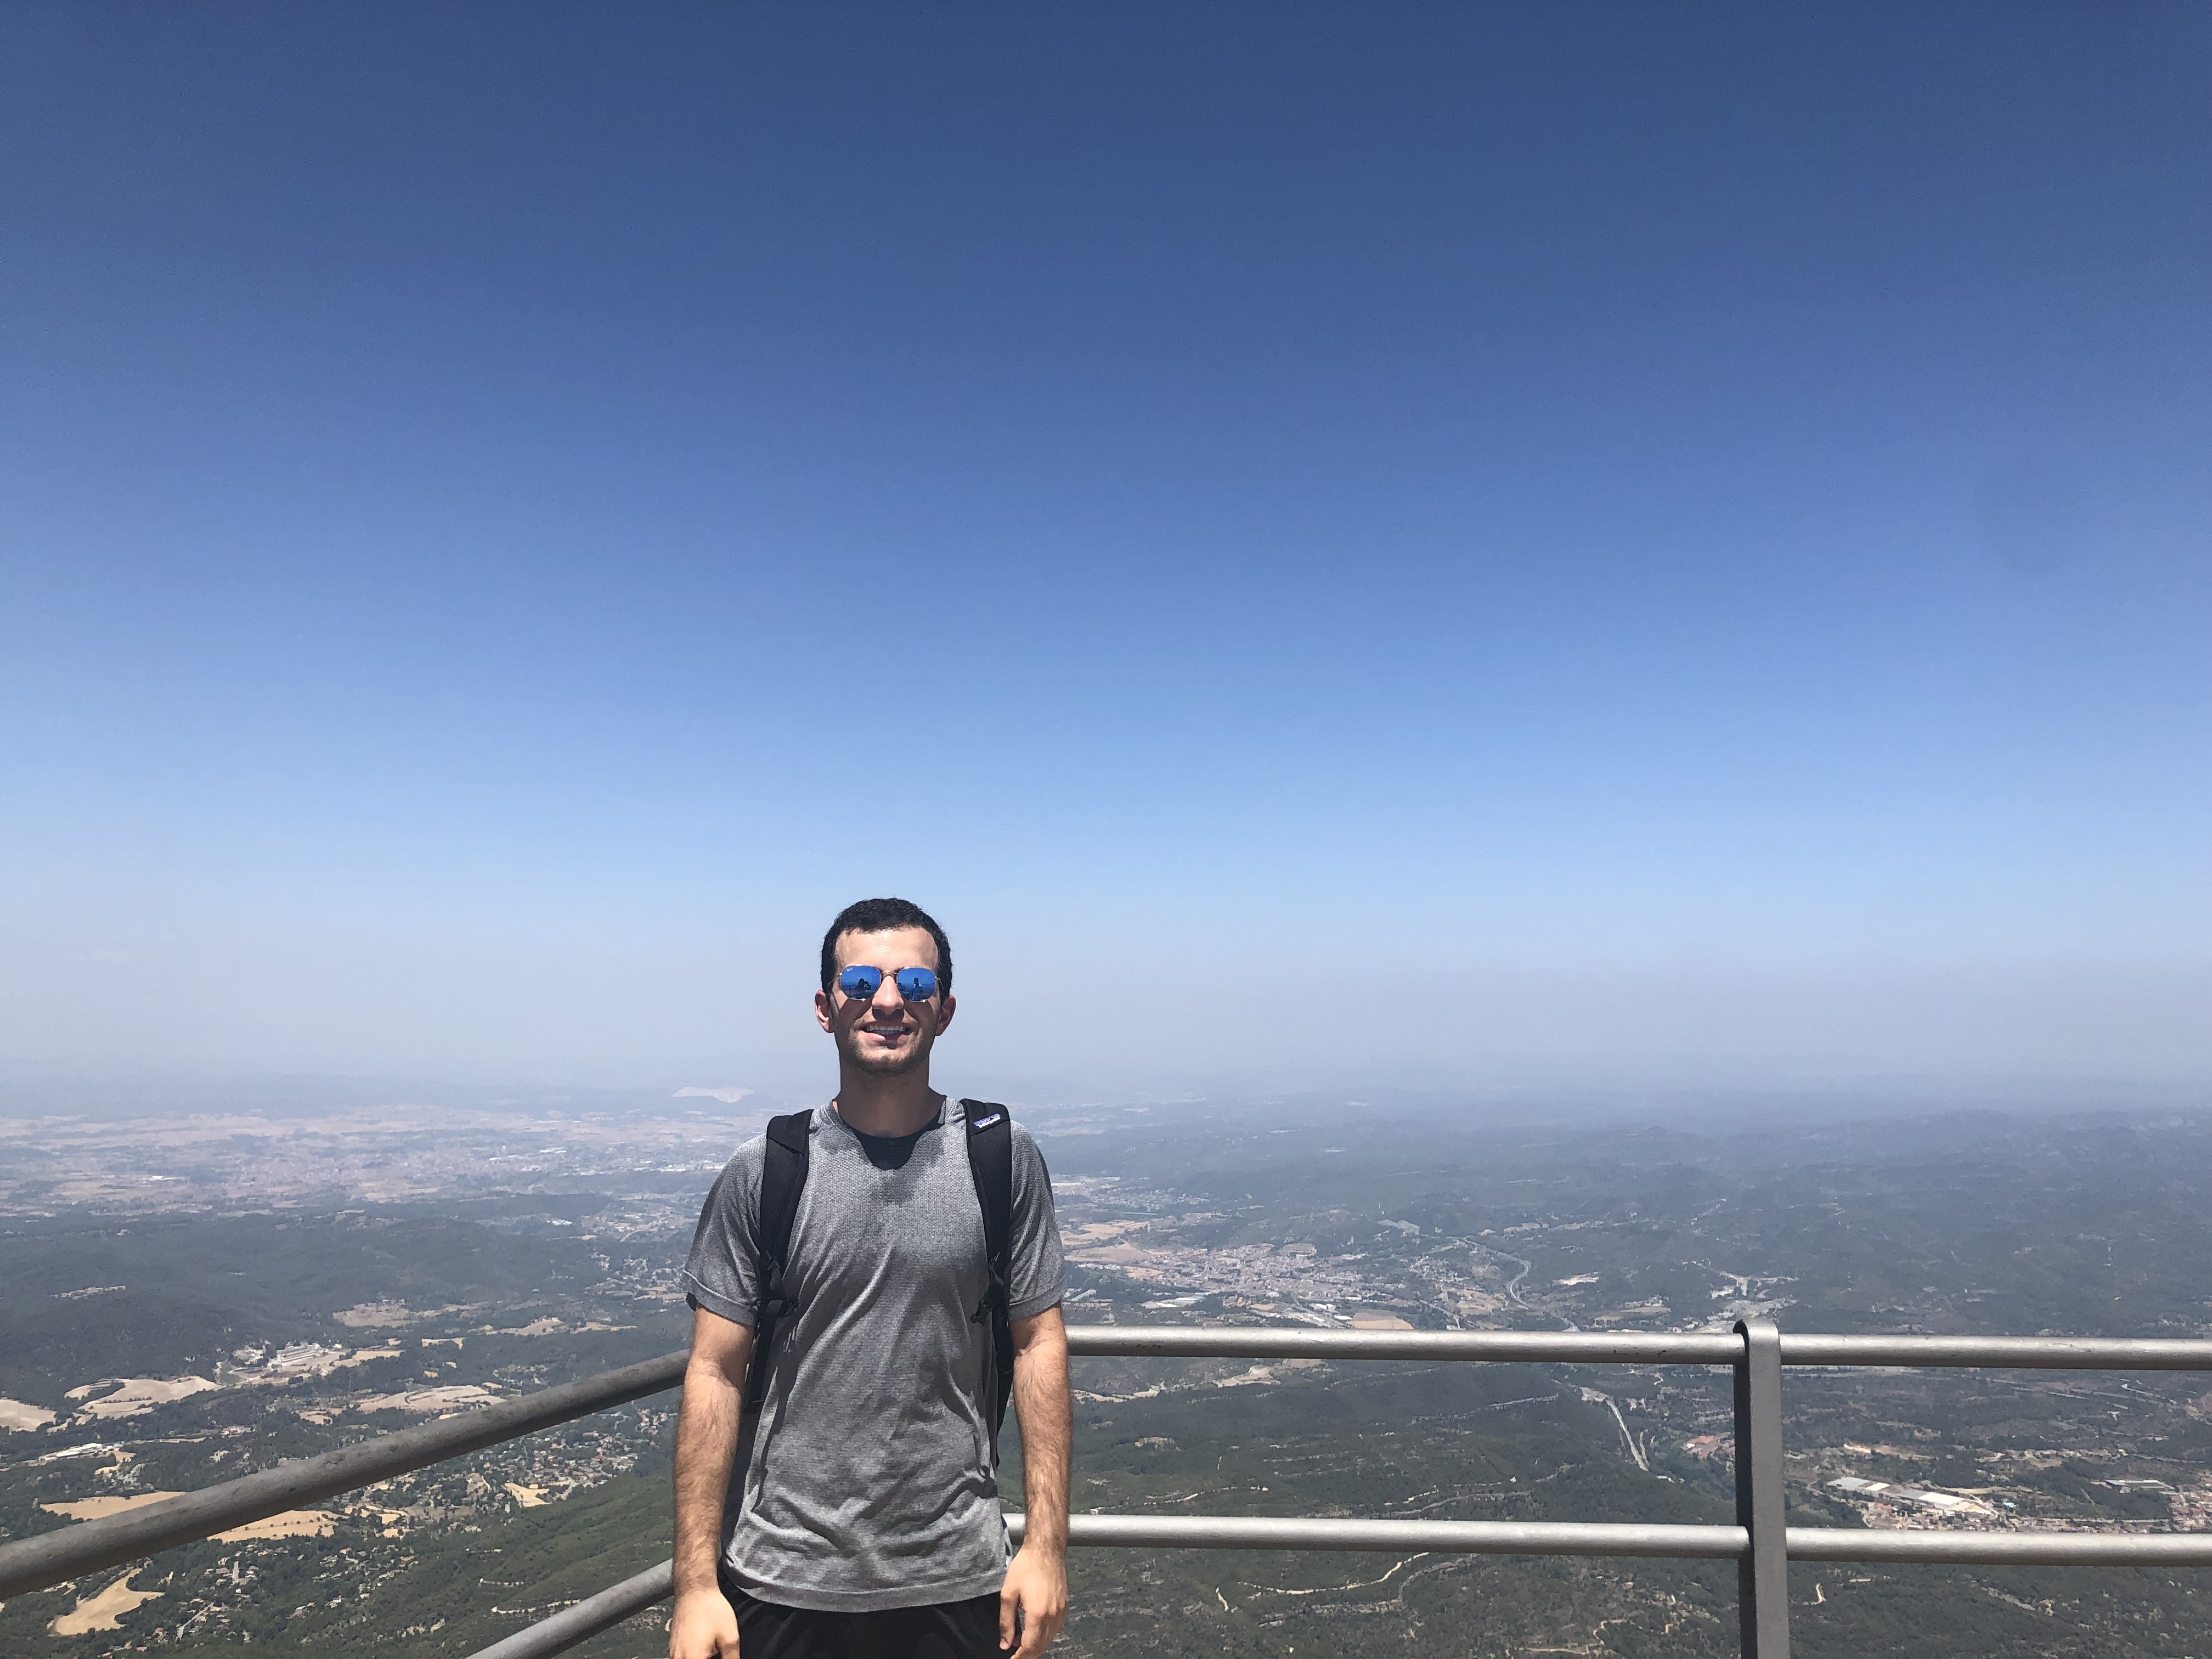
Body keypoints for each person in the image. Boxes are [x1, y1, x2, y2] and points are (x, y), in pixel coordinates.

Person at [670, 897, 1070, 1659]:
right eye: (861, 981)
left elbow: (1038, 1346)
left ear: (944, 1011)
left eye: (914, 984)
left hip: (958, 1577)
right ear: (826, 1008)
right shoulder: (766, 1172)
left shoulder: (1000, 1158)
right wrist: (694, 1586)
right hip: (781, 1580)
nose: (888, 1001)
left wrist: (1046, 1548)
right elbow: (714, 1374)